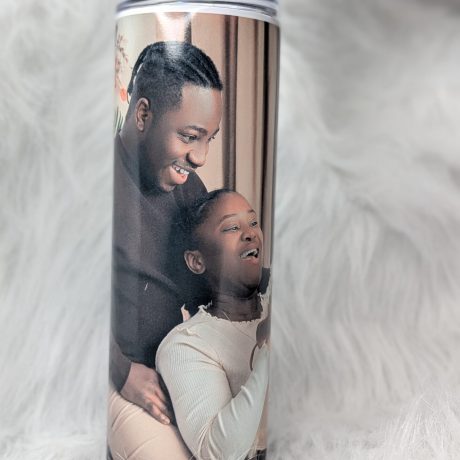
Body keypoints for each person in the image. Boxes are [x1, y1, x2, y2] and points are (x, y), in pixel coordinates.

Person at [108, 41, 223, 459]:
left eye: (209, 139)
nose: (201, 157)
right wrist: (122, 372)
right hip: (113, 375)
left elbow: (208, 284)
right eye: (190, 137)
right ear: (143, 115)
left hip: (174, 370)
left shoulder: (189, 189)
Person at [156, 190, 271, 460]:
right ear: (197, 261)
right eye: (232, 227)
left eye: (253, 223)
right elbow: (220, 453)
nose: (250, 234)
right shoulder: (187, 344)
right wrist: (269, 347)